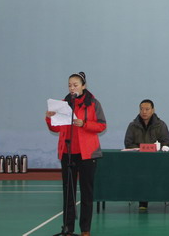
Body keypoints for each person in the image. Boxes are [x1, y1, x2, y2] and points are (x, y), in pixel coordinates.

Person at [45, 72, 106, 236]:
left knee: (86, 193)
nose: (72, 88)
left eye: (75, 85)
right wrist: (49, 118)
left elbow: (101, 125)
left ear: (83, 86)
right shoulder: (63, 104)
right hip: (68, 153)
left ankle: (85, 230)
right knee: (68, 193)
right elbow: (56, 128)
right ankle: (68, 228)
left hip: (88, 154)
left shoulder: (93, 103)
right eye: (69, 85)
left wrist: (84, 123)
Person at [124, 99, 169, 210]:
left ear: (153, 110)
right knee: (141, 173)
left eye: (147, 109)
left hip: (156, 161)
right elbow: (128, 143)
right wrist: (141, 149)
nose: (144, 112)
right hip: (138, 160)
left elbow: (166, 142)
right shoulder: (133, 125)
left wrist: (158, 148)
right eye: (141, 109)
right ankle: (143, 201)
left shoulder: (161, 125)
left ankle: (159, 196)